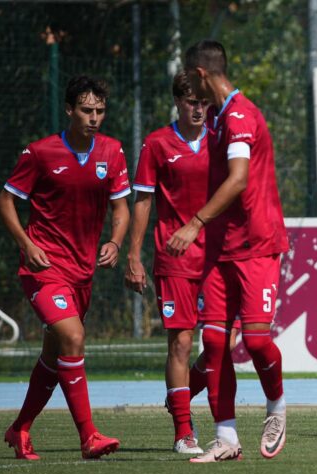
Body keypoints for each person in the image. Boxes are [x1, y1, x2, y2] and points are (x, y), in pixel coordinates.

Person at [0, 76, 130, 460]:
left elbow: (121, 207)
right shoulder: (41, 153)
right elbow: (4, 202)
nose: (94, 118)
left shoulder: (113, 152)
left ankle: (20, 428)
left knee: (55, 354)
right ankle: (89, 436)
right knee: (73, 338)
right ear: (70, 110)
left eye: (100, 111)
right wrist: (27, 243)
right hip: (44, 268)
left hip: (82, 270)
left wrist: (115, 242)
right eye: (86, 110)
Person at [171, 40, 289, 462]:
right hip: (221, 250)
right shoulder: (219, 118)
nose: (189, 91)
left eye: (190, 79)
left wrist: (194, 222)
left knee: (256, 342)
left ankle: (276, 406)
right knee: (216, 344)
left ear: (202, 75)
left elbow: (238, 179)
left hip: (256, 246)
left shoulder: (239, 116)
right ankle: (226, 438)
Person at [124, 71, 209, 454]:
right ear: (178, 101)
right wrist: (133, 254)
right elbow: (142, 201)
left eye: (205, 102)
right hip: (174, 257)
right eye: (192, 101)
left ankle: (181, 393)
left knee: (228, 343)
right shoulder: (157, 144)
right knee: (181, 342)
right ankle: (183, 429)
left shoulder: (225, 140)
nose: (199, 109)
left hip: (219, 257)